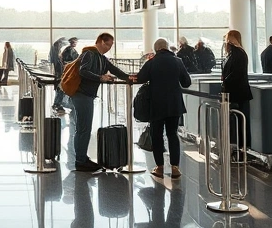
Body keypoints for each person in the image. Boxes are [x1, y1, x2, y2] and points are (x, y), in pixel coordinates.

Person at [68, 32, 134, 172]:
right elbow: (83, 71)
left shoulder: (101, 58)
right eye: (109, 44)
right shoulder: (89, 54)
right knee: (83, 128)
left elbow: (115, 70)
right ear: (102, 42)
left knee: (83, 128)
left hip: (86, 95)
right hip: (82, 95)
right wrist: (100, 78)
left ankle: (82, 158)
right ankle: (80, 160)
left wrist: (129, 78)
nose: (109, 47)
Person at [135, 38, 191, 179]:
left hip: (156, 104)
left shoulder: (152, 62)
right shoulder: (178, 61)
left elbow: (140, 78)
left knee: (157, 135)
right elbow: (186, 82)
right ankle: (175, 168)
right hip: (174, 104)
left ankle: (159, 167)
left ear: (156, 49)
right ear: (167, 48)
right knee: (172, 134)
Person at [221, 30, 252, 151]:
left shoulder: (237, 53)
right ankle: (240, 145)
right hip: (238, 92)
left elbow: (236, 74)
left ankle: (241, 146)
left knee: (239, 121)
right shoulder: (238, 53)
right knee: (239, 120)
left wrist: (226, 81)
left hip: (237, 93)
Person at [50, 38, 68, 114]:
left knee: (59, 89)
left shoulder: (55, 51)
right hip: (58, 74)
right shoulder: (55, 52)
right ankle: (57, 104)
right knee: (60, 89)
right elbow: (56, 63)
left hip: (58, 73)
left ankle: (57, 103)